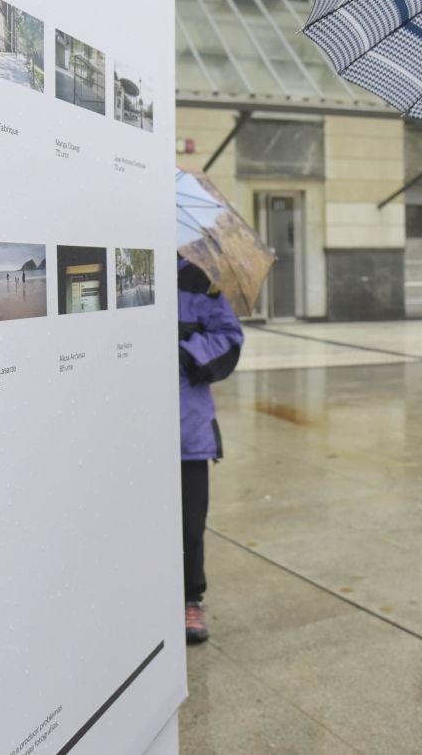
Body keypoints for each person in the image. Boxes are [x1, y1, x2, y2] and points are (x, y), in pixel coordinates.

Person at [178, 257, 244, 644]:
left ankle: (190, 599)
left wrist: (187, 352)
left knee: (189, 525)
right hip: (127, 430)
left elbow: (229, 337)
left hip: (187, 432)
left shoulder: (199, 279)